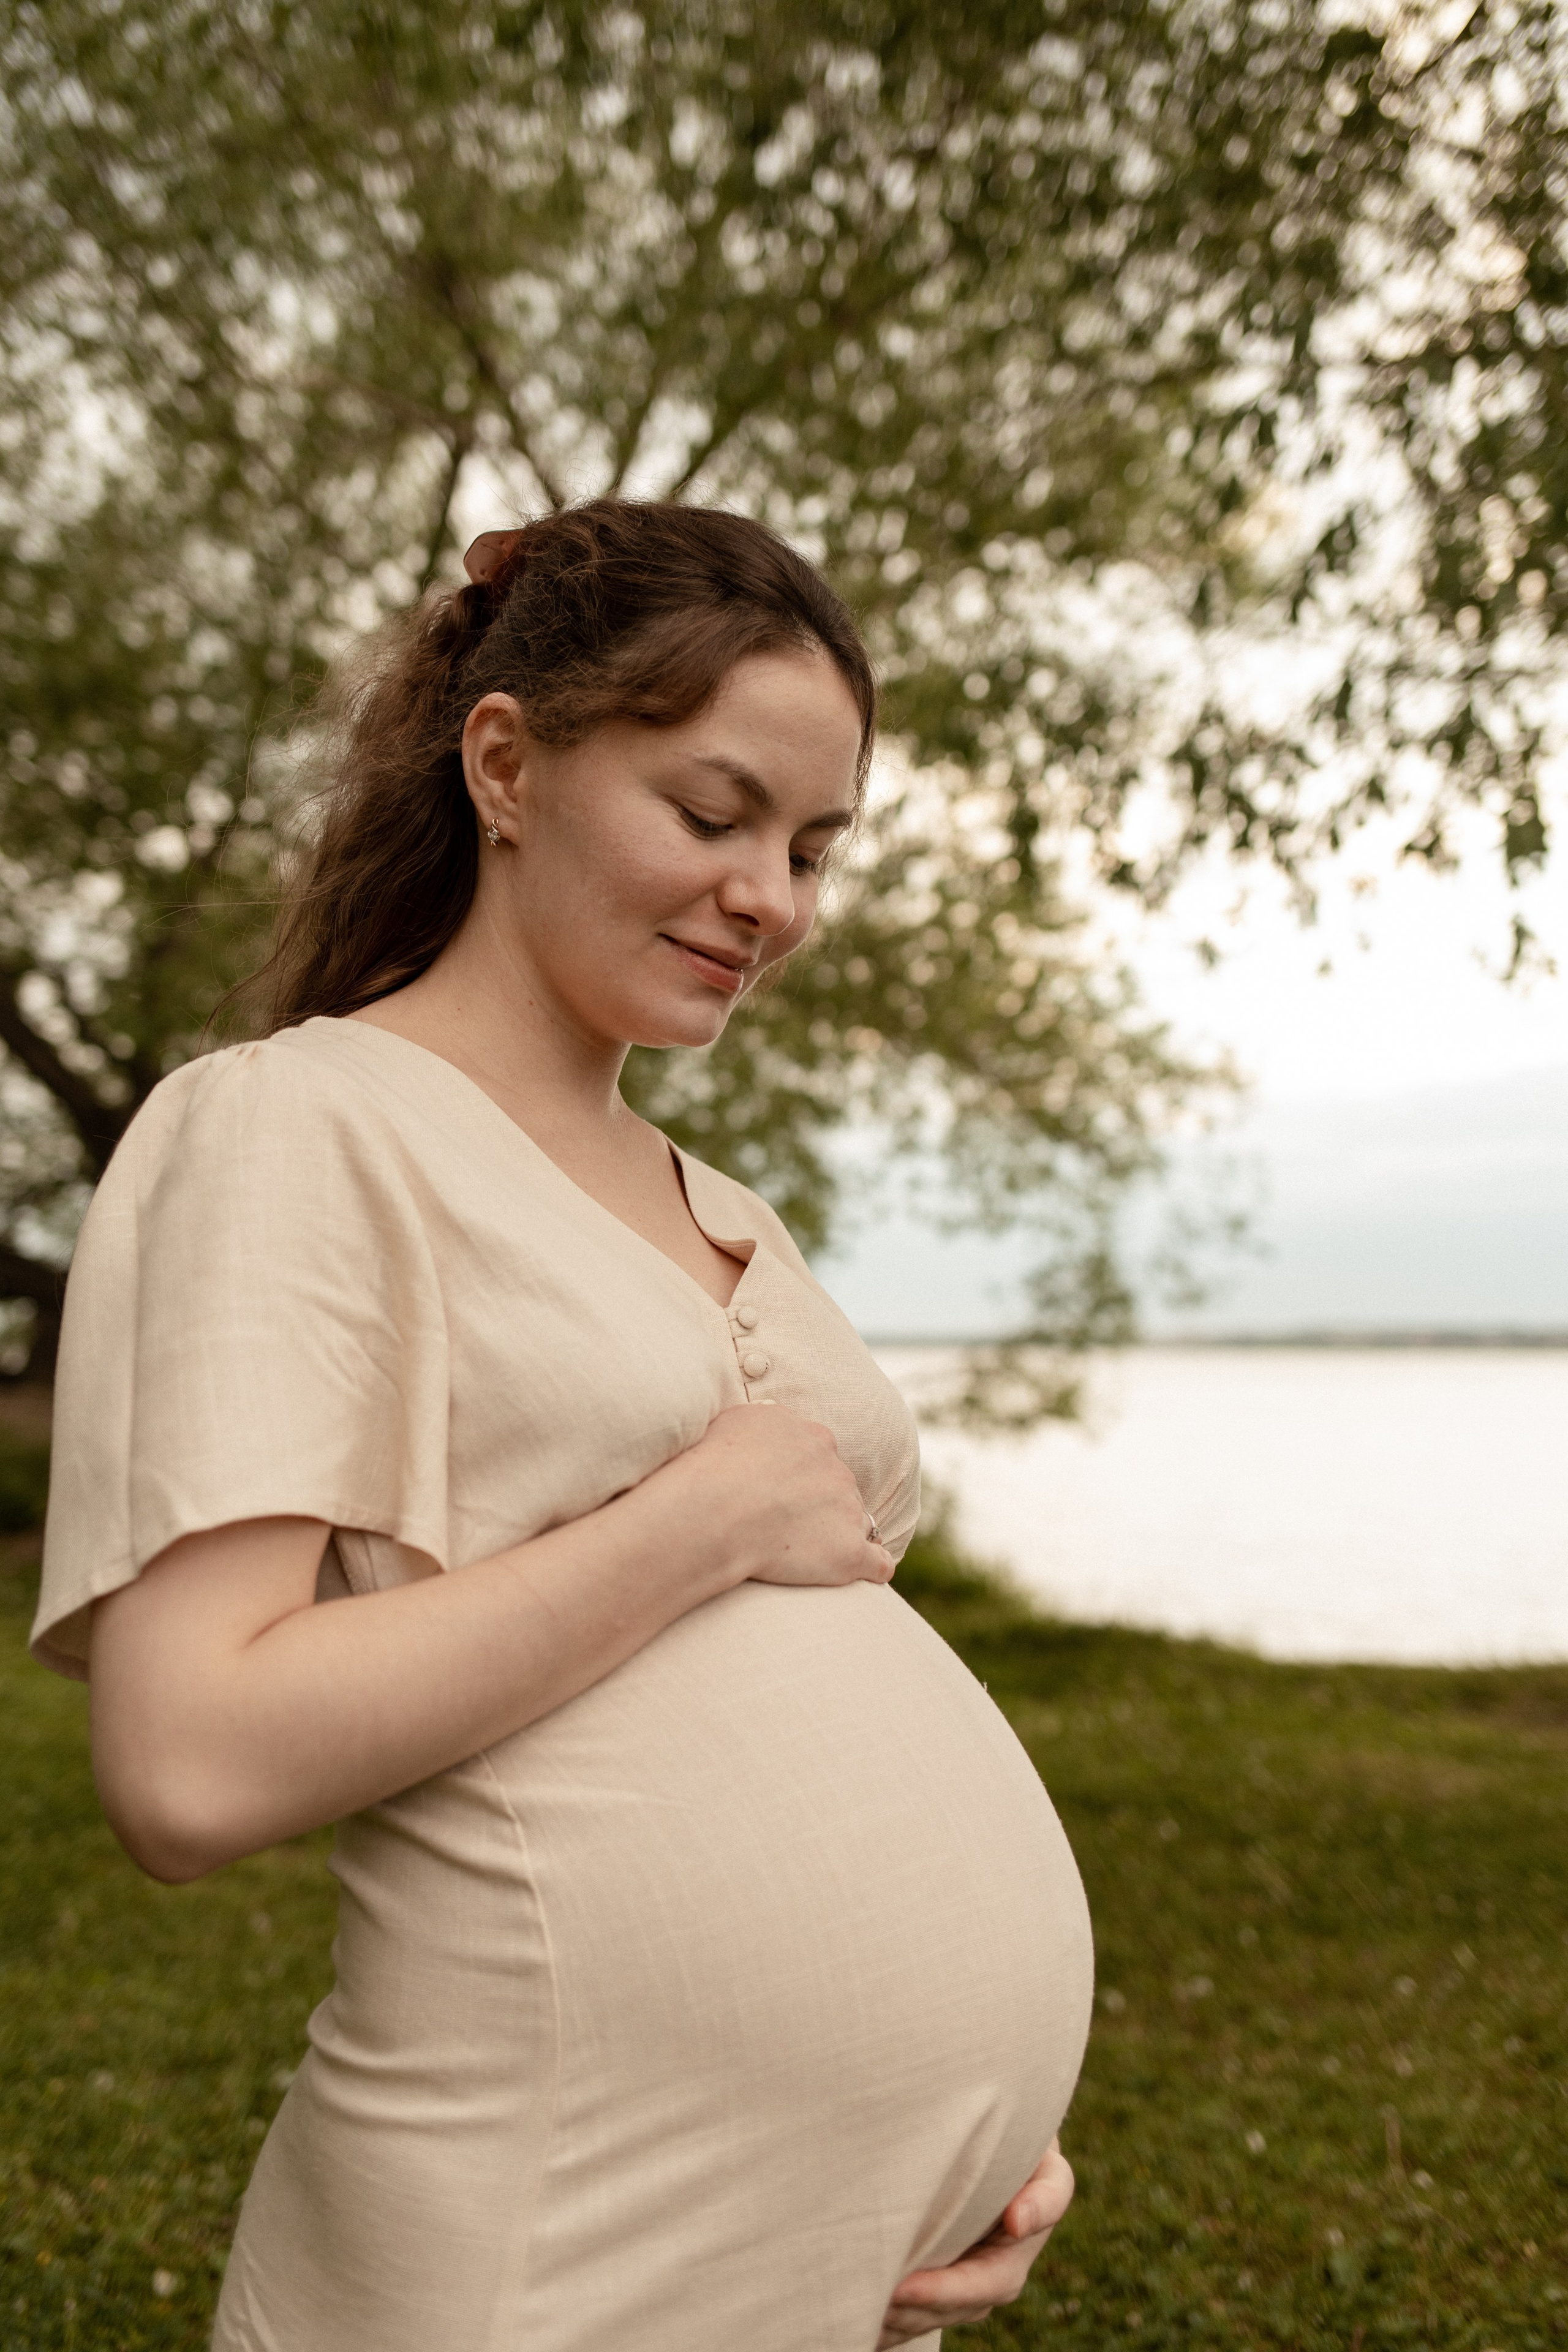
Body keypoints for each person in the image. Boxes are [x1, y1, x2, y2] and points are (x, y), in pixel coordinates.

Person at [32, 499, 1094, 2352]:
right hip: (545, 2257)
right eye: (713, 814)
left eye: (812, 847)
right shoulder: (298, 1125)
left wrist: (971, 2140)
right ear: (507, 765)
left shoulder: (726, 1210)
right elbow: (189, 1762)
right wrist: (697, 1519)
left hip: (838, 2273)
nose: (773, 899)